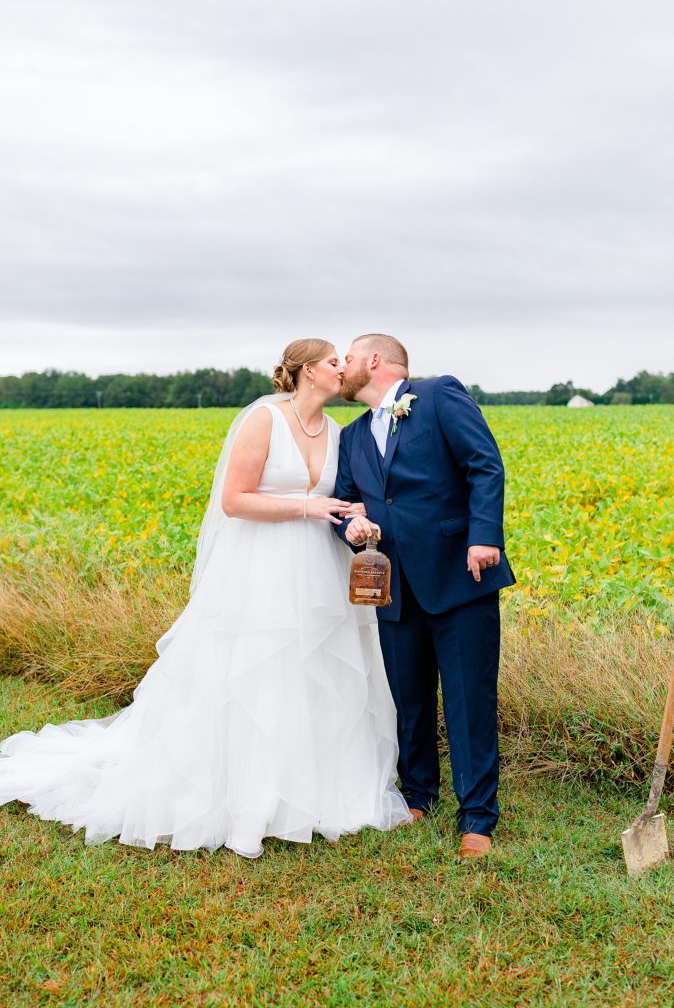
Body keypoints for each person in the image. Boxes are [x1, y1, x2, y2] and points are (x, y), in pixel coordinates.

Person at [0, 339, 410, 858]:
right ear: (308, 371)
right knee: (256, 669)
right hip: (261, 566)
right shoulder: (264, 419)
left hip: (319, 570)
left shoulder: (337, 432)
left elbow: (341, 497)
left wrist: (354, 516)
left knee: (315, 671)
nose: (343, 369)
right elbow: (235, 500)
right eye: (334, 361)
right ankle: (245, 791)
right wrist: (306, 508)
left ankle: (315, 790)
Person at [334, 334, 516, 858]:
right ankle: (417, 797)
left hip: (460, 575)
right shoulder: (352, 436)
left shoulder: (437, 396)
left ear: (373, 360)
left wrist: (485, 536)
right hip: (392, 586)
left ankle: (477, 818)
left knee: (467, 699)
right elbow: (347, 504)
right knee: (408, 700)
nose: (340, 367)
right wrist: (350, 527)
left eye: (346, 357)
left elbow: (485, 464)